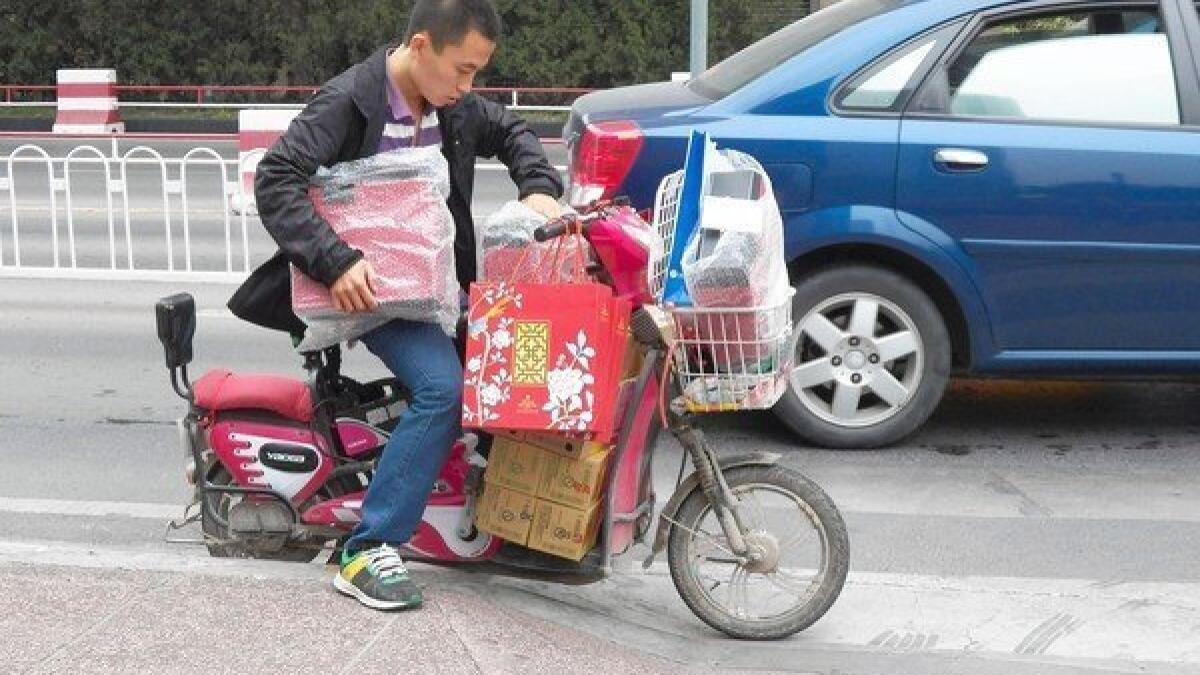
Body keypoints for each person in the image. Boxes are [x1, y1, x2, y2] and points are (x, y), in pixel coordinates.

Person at [227, 0, 563, 611]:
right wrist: (336, 260)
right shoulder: (348, 102)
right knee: (445, 388)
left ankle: (497, 508)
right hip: (369, 291)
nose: (468, 87)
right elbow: (277, 177)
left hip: (435, 283)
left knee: (517, 367)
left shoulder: (453, 105)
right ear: (420, 45)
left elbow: (512, 130)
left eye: (477, 74)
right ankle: (369, 549)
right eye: (462, 70)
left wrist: (538, 187)